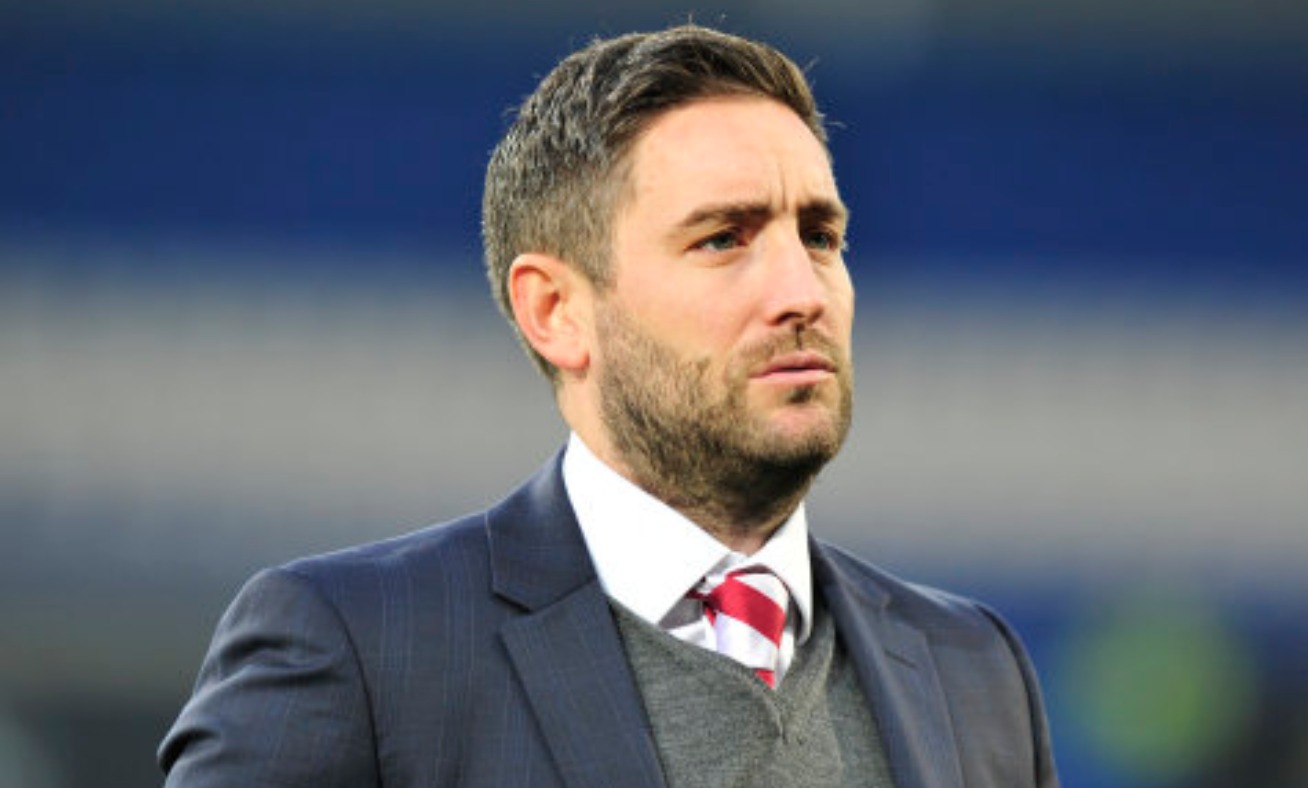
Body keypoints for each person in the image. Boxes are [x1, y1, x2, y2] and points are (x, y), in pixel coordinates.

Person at [158, 24, 1058, 788]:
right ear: (556, 311)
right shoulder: (361, 650)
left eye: (820, 236)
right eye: (723, 238)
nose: (802, 291)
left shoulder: (973, 672)